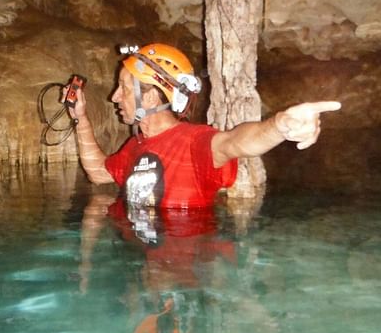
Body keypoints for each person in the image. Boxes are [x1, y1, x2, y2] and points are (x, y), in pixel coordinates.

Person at [65, 43, 341, 209]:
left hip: (179, 270)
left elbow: (236, 142)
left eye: (123, 88)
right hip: (136, 263)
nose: (114, 96)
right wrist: (80, 116)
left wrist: (281, 125)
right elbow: (98, 172)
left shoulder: (194, 141)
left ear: (149, 95)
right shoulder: (135, 145)